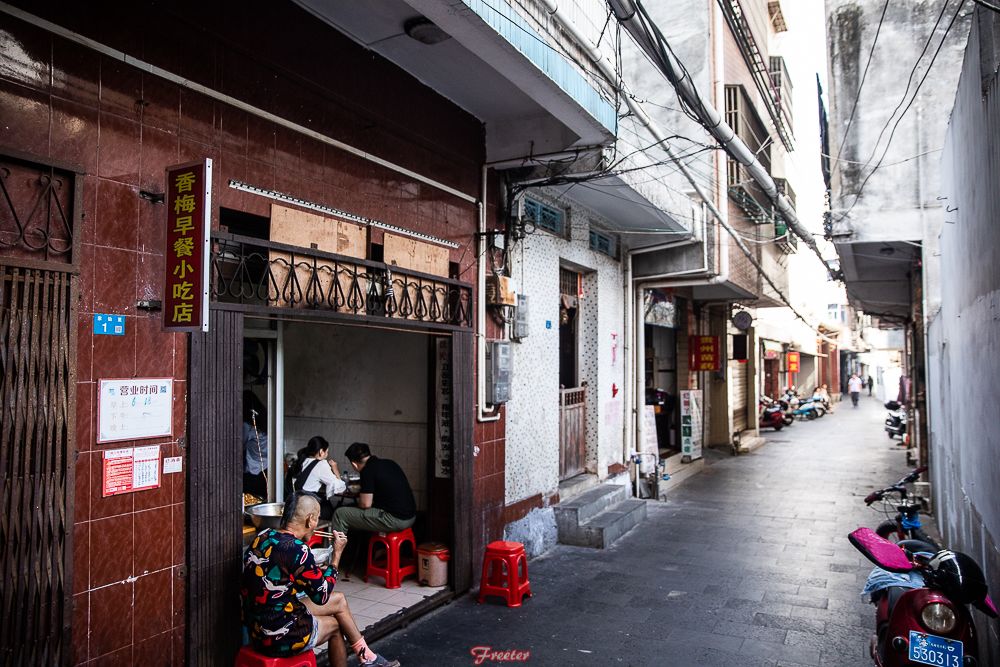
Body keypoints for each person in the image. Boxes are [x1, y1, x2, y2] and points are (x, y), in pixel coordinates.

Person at [240, 492, 400, 667]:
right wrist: (336, 556)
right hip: (277, 636)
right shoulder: (298, 549)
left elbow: (282, 575)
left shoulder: (263, 536)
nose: (315, 525)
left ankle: (368, 657)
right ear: (310, 520)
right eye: (316, 519)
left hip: (255, 627)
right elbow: (321, 596)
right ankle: (367, 659)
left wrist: (316, 572)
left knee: (339, 600)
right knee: (335, 626)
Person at [330, 442, 416, 535]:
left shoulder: (367, 470)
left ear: (354, 464)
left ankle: (337, 544)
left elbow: (365, 504)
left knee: (340, 514)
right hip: (411, 516)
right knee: (353, 510)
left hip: (396, 519)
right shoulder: (390, 463)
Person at [288, 436, 347, 519]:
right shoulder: (321, 464)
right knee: (333, 511)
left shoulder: (301, 461)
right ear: (321, 452)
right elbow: (340, 489)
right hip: (311, 508)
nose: (327, 454)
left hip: (295, 506)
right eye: (327, 452)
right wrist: (335, 469)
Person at [243, 391, 268, 500]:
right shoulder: (265, 420)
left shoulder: (247, 426)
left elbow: (239, 445)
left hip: (253, 471)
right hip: (267, 468)